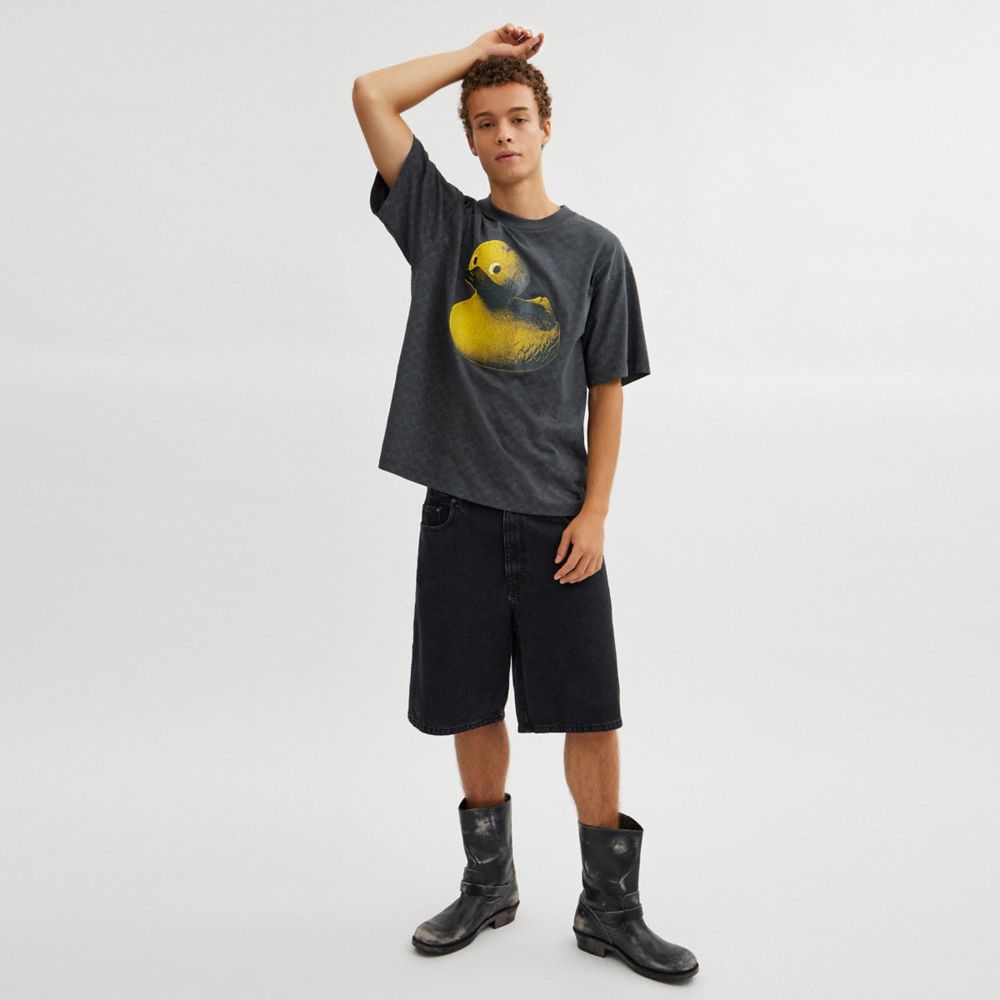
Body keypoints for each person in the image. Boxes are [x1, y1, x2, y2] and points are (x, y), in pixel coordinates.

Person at [352, 23, 699, 983]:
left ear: (546, 128)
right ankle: (489, 885)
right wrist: (473, 56)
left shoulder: (596, 253)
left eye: (516, 117)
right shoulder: (446, 229)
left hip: (559, 522)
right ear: (468, 139)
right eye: (484, 122)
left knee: (590, 710)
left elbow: (608, 392)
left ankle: (610, 909)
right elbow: (372, 94)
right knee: (471, 704)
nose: (502, 133)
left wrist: (595, 513)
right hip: (458, 514)